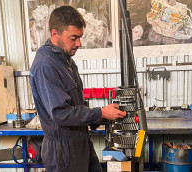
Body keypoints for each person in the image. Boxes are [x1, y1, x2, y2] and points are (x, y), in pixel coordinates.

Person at [30, 5, 126, 172]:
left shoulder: (66, 61)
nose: (79, 43)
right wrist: (100, 112)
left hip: (80, 142)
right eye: (73, 38)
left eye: (80, 38)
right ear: (55, 34)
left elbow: (76, 106)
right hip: (63, 152)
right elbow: (61, 114)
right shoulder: (46, 64)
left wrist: (102, 117)